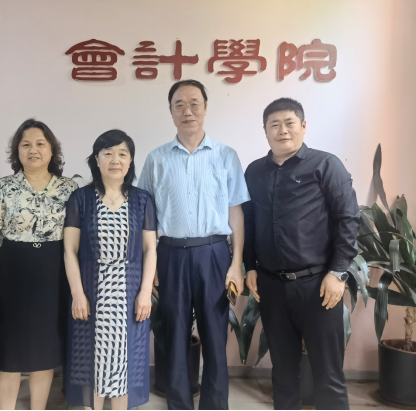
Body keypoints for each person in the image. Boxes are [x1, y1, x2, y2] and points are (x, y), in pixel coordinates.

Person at [138, 80, 250, 410]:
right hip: (169, 254)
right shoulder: (156, 159)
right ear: (171, 111)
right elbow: (146, 218)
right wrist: (151, 264)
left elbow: (236, 213)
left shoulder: (226, 156)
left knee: (215, 336)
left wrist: (236, 263)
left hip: (214, 254)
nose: (187, 111)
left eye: (194, 103)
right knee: (174, 336)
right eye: (179, 105)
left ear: (205, 107)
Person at [243, 98, 360, 410]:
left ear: (303, 126)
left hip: (319, 286)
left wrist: (338, 273)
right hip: (271, 286)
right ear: (265, 131)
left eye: (289, 123)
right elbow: (249, 223)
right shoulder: (254, 172)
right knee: (283, 372)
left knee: (328, 373)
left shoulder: (326, 165)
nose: (282, 130)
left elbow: (348, 219)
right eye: (274, 125)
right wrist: (250, 266)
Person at [0, 119, 78, 410]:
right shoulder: (3, 187)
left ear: (52, 150)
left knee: (44, 354)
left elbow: (77, 240)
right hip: (11, 275)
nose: (33, 150)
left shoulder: (69, 189)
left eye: (40, 144)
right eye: (26, 144)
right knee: (9, 355)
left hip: (54, 278)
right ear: (17, 151)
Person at [64, 130, 157, 411]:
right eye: (108, 154)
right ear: (97, 159)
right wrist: (77, 294)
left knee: (125, 363)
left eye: (122, 154)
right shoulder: (81, 198)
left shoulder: (142, 200)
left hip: (130, 294)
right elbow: (70, 250)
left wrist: (145, 294)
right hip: (91, 291)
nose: (115, 160)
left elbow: (150, 249)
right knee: (89, 362)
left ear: (130, 161)